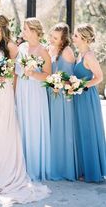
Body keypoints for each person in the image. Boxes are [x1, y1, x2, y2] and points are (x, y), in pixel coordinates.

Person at [0, 15, 50, 206]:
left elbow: (14, 72)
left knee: (4, 128)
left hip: (2, 91)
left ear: (0, 27)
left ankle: (4, 168)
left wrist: (11, 91)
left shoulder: (11, 46)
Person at [15, 17, 51, 181]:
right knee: (23, 125)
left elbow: (48, 76)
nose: (23, 32)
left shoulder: (43, 51)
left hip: (36, 92)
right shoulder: (21, 47)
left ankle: (36, 167)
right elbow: (17, 73)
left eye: (26, 29)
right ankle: (24, 166)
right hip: (22, 90)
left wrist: (33, 74)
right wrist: (14, 94)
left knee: (34, 125)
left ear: (35, 31)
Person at [73, 23, 106, 182]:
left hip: (87, 96)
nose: (73, 38)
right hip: (79, 96)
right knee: (81, 130)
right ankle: (85, 169)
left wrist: (80, 85)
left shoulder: (89, 56)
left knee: (88, 130)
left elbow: (99, 77)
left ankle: (92, 172)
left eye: (76, 36)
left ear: (84, 38)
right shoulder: (79, 54)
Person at [48, 23, 78, 181]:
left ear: (63, 39)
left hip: (64, 97)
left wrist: (60, 84)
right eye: (51, 36)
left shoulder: (67, 52)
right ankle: (55, 165)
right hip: (52, 94)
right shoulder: (51, 48)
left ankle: (65, 168)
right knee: (54, 129)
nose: (52, 39)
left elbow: (72, 79)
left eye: (55, 38)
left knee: (64, 129)